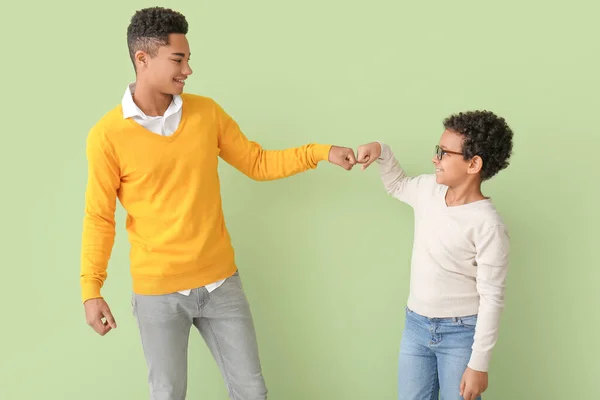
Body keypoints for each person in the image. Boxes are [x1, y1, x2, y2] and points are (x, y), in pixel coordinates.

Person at [80, 6, 357, 400]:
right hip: (158, 292)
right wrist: (92, 290)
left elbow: (258, 163)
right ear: (143, 59)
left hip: (221, 284)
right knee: (167, 394)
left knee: (252, 392)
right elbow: (99, 217)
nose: (187, 69)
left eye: (189, 59)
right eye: (178, 59)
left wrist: (321, 151)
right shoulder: (107, 136)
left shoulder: (206, 113)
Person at [356, 110, 514, 400]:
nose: (435, 159)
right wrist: (381, 150)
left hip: (461, 334)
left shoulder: (487, 224)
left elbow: (492, 297)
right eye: (437, 150)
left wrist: (478, 364)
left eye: (443, 153)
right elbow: (397, 185)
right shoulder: (429, 190)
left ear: (473, 164)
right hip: (415, 326)